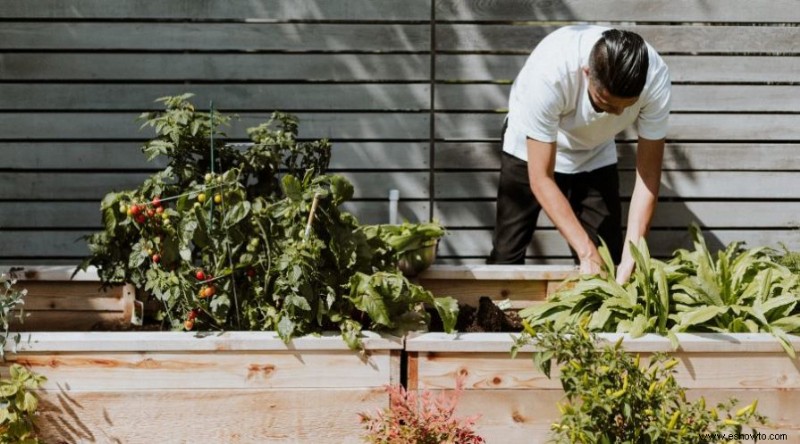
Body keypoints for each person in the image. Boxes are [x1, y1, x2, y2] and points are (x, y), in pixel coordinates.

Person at [487, 25, 671, 284]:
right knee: (507, 254)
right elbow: (541, 178)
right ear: (587, 73)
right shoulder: (550, 74)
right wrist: (586, 252)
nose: (617, 115)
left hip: (595, 151)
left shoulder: (656, 79)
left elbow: (648, 175)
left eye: (626, 107)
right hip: (529, 149)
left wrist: (634, 251)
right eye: (605, 104)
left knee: (609, 258)